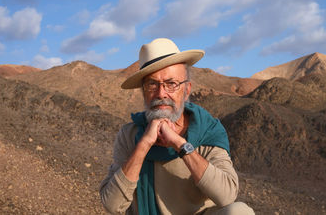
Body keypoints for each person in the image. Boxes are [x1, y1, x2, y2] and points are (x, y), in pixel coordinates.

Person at [100, 38, 254, 215]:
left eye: (171, 84)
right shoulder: (130, 135)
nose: (161, 93)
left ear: (187, 90)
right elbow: (111, 205)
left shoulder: (208, 131)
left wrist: (181, 145)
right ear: (143, 92)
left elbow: (226, 196)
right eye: (152, 84)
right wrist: (143, 145)